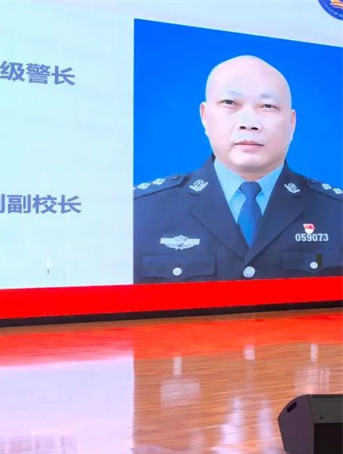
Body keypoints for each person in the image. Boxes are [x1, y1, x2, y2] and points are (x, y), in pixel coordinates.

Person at [134, 55, 342, 283]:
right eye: (230, 103)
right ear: (205, 116)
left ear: (292, 123)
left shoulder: (336, 212)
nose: (249, 123)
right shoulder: (140, 212)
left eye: (268, 106)